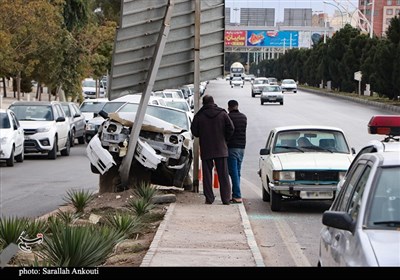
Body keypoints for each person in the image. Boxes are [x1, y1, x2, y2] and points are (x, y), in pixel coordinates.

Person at [191, 95, 235, 205]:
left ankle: (209, 198)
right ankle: (225, 199)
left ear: (203, 103)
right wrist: (225, 140)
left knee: (207, 175)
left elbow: (194, 132)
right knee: (223, 175)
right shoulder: (222, 113)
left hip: (206, 148)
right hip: (221, 148)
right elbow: (231, 128)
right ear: (213, 101)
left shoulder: (199, 116)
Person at [227, 100, 247, 204]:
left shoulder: (228, 117)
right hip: (242, 147)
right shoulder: (244, 117)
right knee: (238, 172)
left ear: (229, 107)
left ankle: (237, 195)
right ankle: (237, 193)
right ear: (237, 106)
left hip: (232, 147)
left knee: (233, 172)